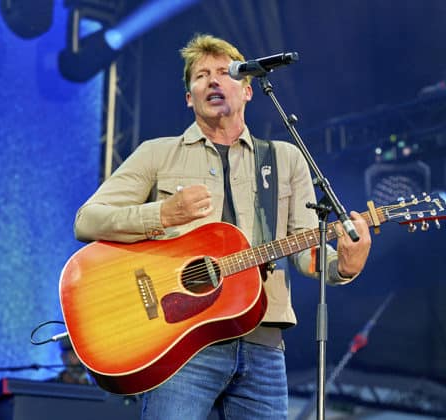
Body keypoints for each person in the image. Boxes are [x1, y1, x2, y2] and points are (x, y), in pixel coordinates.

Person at [73, 34, 371, 419]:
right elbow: (87, 220)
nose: (213, 81)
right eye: (201, 76)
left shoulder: (284, 158)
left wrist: (344, 265)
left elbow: (303, 250)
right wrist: (161, 215)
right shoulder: (157, 153)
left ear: (248, 90)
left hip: (263, 340)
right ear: (189, 97)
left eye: (224, 72)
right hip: (181, 341)